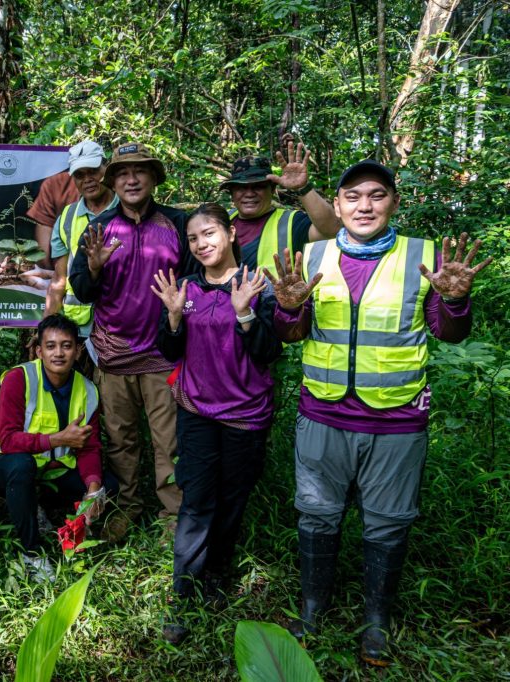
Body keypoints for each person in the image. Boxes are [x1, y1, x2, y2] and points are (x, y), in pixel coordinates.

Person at [266, 160, 492, 667]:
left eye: (376, 195)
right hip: (324, 414)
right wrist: (286, 308)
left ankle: (376, 622)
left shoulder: (422, 257)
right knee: (317, 515)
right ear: (338, 204)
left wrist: (455, 301)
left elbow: (449, 333)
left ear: (394, 201)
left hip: (395, 421)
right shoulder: (313, 254)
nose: (364, 206)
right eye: (352, 196)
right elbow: (292, 333)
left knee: (387, 524)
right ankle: (311, 610)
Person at [151, 203, 283, 644]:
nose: (201, 243)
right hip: (197, 412)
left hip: (246, 415)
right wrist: (172, 315)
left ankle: (217, 575)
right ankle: (183, 593)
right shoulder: (184, 288)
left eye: (209, 233)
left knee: (231, 501)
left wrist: (245, 312)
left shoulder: (256, 284)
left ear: (228, 234)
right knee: (196, 502)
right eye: (192, 238)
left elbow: (268, 352)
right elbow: (169, 351)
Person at [68, 142, 194, 542]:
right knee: (120, 441)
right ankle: (127, 507)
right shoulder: (98, 228)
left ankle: (172, 515)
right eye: (123, 173)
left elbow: (198, 282)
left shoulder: (177, 223)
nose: (132, 179)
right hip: (113, 354)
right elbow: (82, 291)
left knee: (168, 443)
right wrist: (92, 267)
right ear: (113, 182)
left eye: (140, 171)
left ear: (154, 178)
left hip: (163, 356)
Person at [0, 314, 119, 583]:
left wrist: (94, 489)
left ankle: (69, 539)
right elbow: (8, 440)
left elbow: (89, 447)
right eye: (51, 346)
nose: (58, 353)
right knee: (22, 465)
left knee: (108, 485)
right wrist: (58, 439)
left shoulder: (87, 390)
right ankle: (32, 552)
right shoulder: (19, 379)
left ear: (78, 350)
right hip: (9, 466)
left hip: (55, 471)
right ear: (39, 350)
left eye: (66, 345)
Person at [44, 141, 119, 370]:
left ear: (106, 169)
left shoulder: (128, 208)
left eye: (94, 171)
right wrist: (47, 331)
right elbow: (59, 281)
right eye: (79, 174)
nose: (88, 179)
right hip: (79, 332)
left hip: (120, 329)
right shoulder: (67, 218)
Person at [221, 139, 340, 271]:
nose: (249, 194)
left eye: (258, 186)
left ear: (272, 190)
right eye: (241, 188)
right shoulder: (221, 220)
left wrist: (303, 187)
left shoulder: (291, 223)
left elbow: (332, 230)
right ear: (231, 192)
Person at [29, 170, 80, 269]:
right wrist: (49, 271)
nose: (87, 179)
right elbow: (44, 226)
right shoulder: (55, 183)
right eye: (81, 174)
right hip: (60, 266)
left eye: (93, 172)